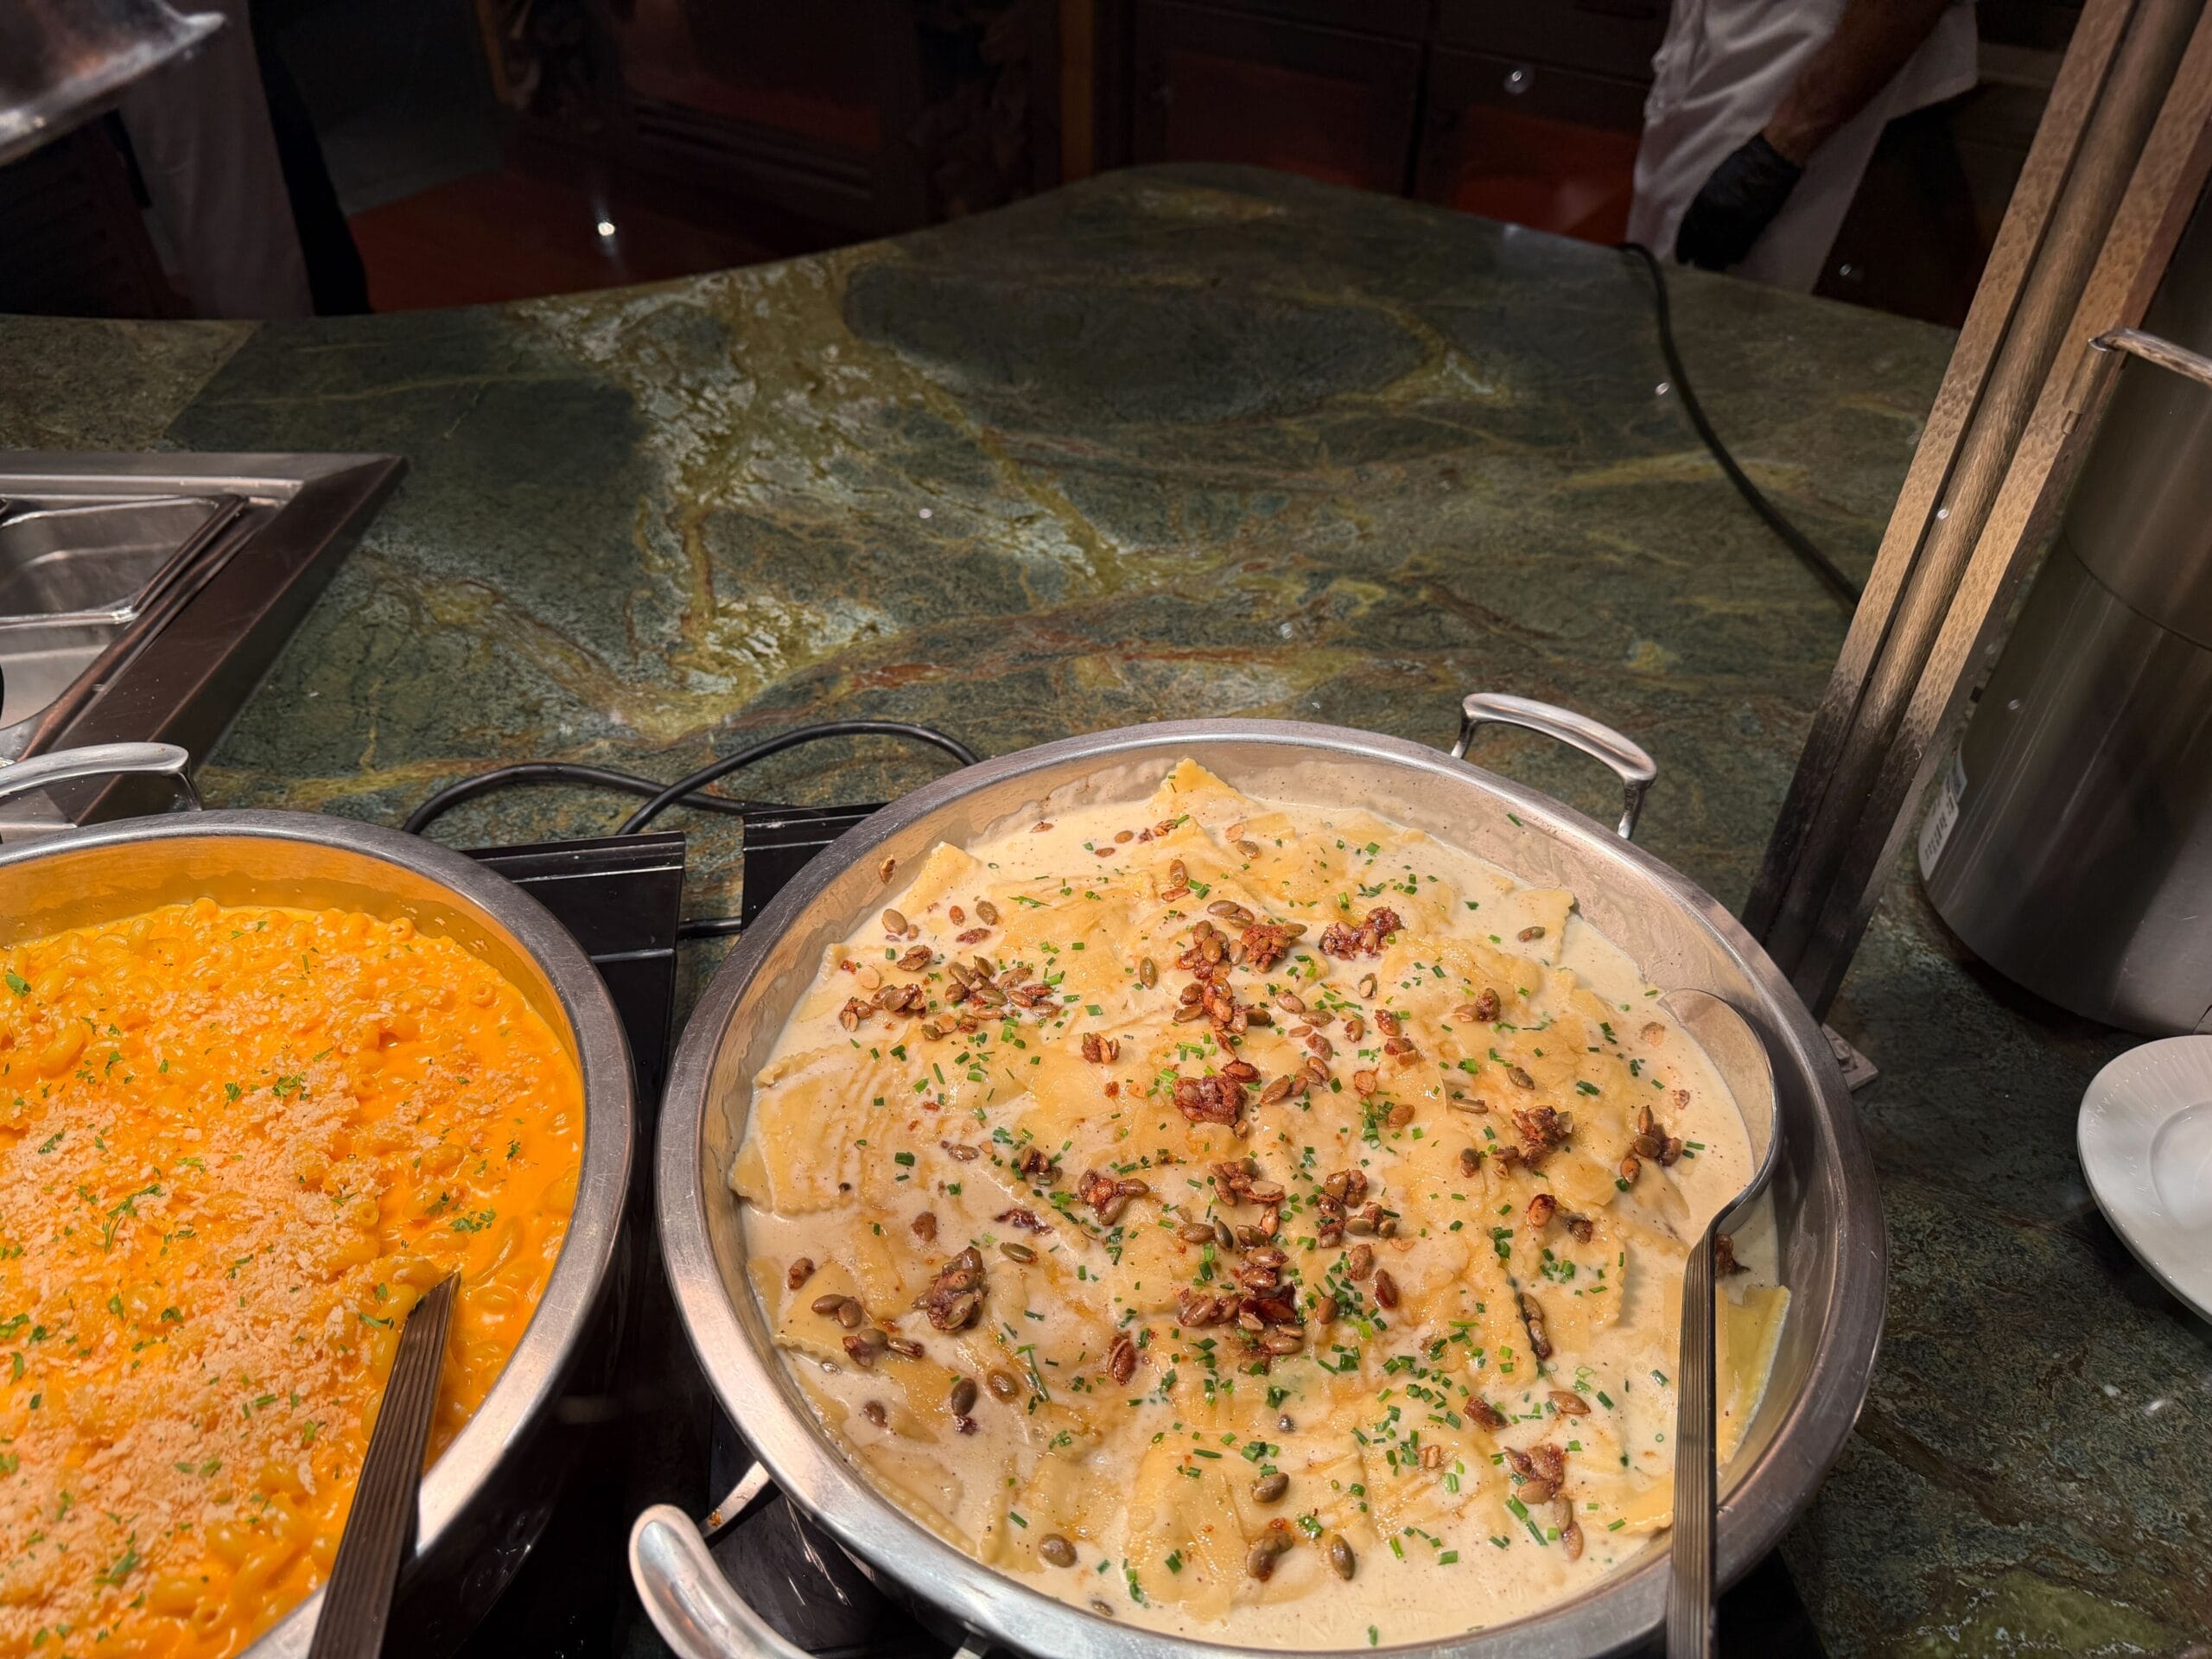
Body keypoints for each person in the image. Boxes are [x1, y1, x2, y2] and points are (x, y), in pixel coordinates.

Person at [1626, 0, 1979, 289]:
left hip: (1808, 123)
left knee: (1740, 319)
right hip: (1720, 72)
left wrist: (1778, 151)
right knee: (1665, 298)